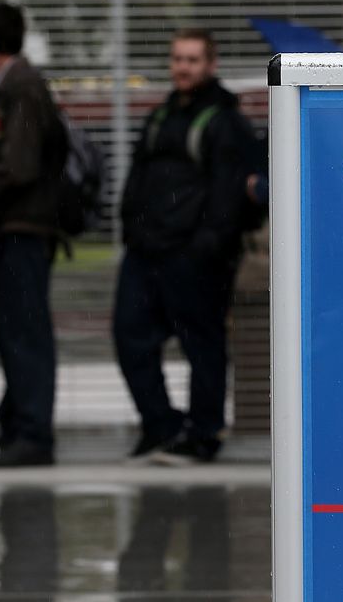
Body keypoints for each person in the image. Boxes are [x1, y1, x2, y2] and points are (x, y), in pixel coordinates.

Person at [113, 28, 254, 465]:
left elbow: (229, 194)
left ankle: (204, 432)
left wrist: (206, 247)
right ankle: (160, 425)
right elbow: (139, 176)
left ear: (210, 65)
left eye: (192, 60)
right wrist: (130, 229)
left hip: (195, 255)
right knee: (129, 335)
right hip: (146, 250)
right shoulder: (161, 116)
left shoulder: (226, 121)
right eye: (177, 59)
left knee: (203, 345)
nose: (183, 67)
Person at [0, 1, 64, 468]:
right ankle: (16, 427)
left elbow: (18, 164)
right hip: (14, 227)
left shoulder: (21, 88)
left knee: (24, 332)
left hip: (22, 227)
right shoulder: (14, 86)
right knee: (13, 331)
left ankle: (33, 434)